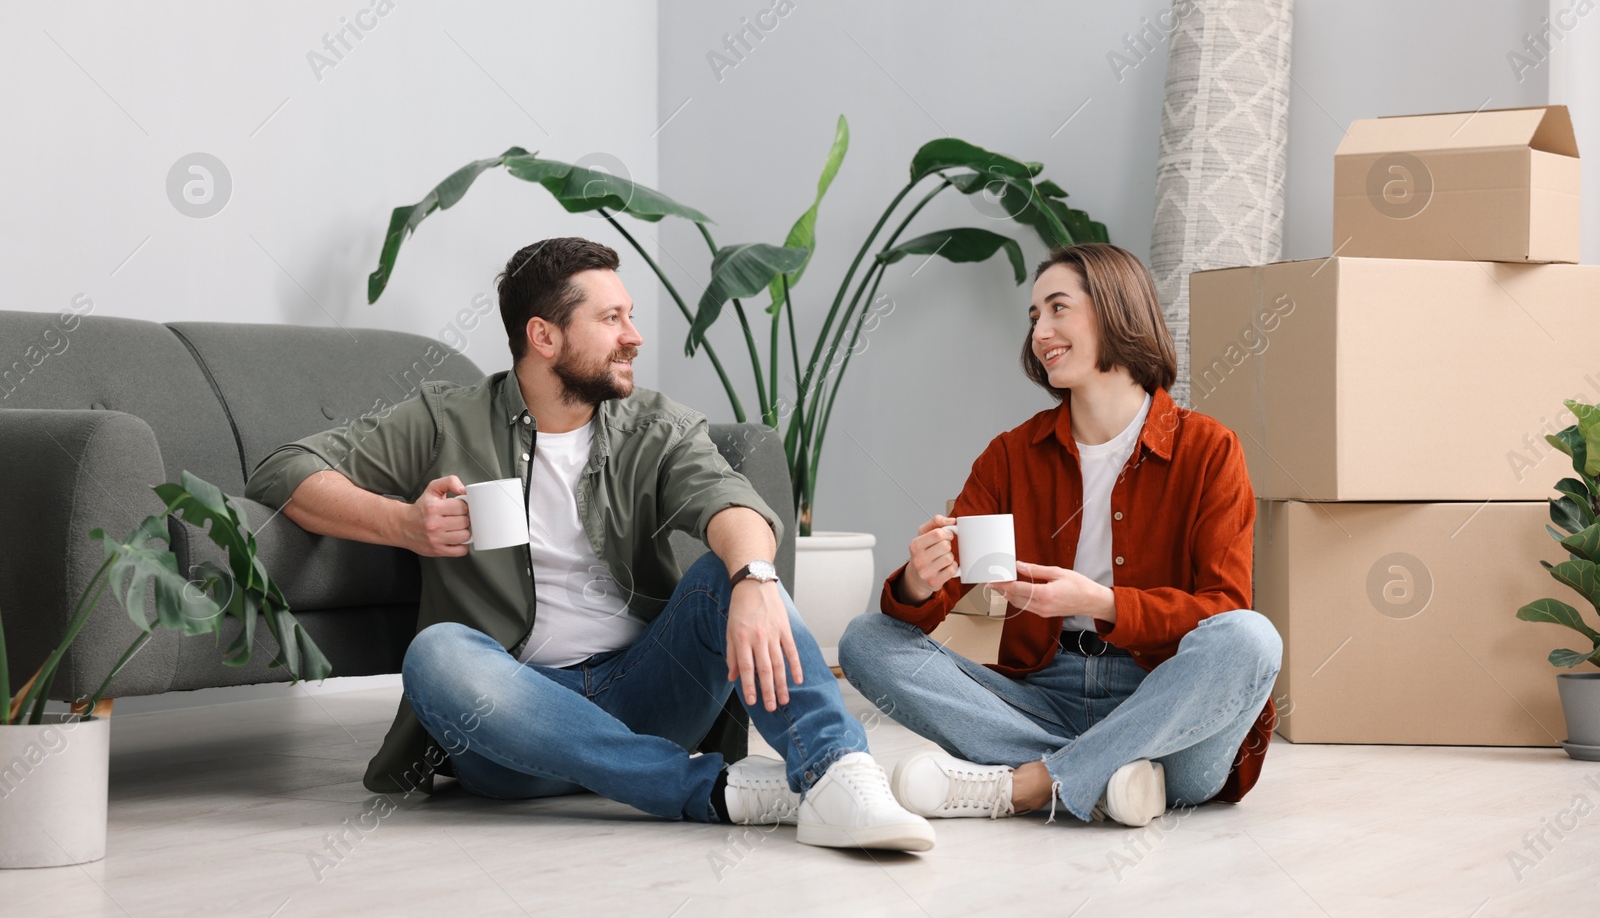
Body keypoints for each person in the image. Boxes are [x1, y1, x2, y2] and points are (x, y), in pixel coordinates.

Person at [245, 237, 934, 852]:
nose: (633, 336)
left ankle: (837, 774)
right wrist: (404, 523)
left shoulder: (653, 426)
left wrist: (754, 578)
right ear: (543, 336)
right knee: (436, 656)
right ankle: (708, 789)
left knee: (733, 573)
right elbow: (285, 469)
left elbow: (730, 500)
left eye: (629, 315)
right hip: (514, 720)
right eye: (612, 319)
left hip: (649, 688)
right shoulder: (443, 419)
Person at [838, 243, 1281, 827]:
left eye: (1057, 308)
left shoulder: (1207, 450)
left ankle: (1031, 784)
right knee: (866, 640)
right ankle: (1108, 778)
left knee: (1251, 638)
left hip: (1168, 709)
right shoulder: (1010, 457)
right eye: (1033, 317)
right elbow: (941, 598)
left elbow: (1223, 608)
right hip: (1039, 700)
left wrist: (1101, 603)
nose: (1040, 332)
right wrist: (921, 581)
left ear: (1116, 310)